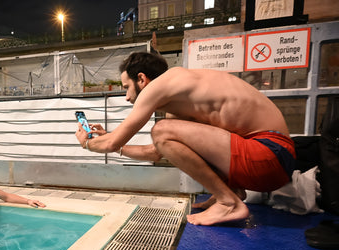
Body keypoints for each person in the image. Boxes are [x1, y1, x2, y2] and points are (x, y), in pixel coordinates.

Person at [75, 52, 295, 226]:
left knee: (160, 130)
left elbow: (115, 142)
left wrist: (87, 143)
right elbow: (157, 152)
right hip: (273, 163)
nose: (126, 97)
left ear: (141, 79)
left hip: (269, 156)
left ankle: (228, 202)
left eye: (126, 88)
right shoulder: (180, 94)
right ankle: (232, 192)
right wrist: (115, 145)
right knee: (165, 133)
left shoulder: (161, 85)